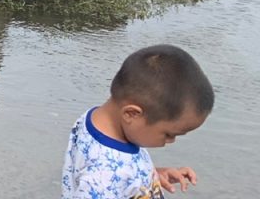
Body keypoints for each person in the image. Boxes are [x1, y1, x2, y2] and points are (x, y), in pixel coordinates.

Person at [62, 44, 214, 198]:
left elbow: (118, 171)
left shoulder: (94, 119)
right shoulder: (105, 175)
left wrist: (150, 176)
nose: (171, 141)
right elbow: (107, 177)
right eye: (168, 134)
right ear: (131, 114)